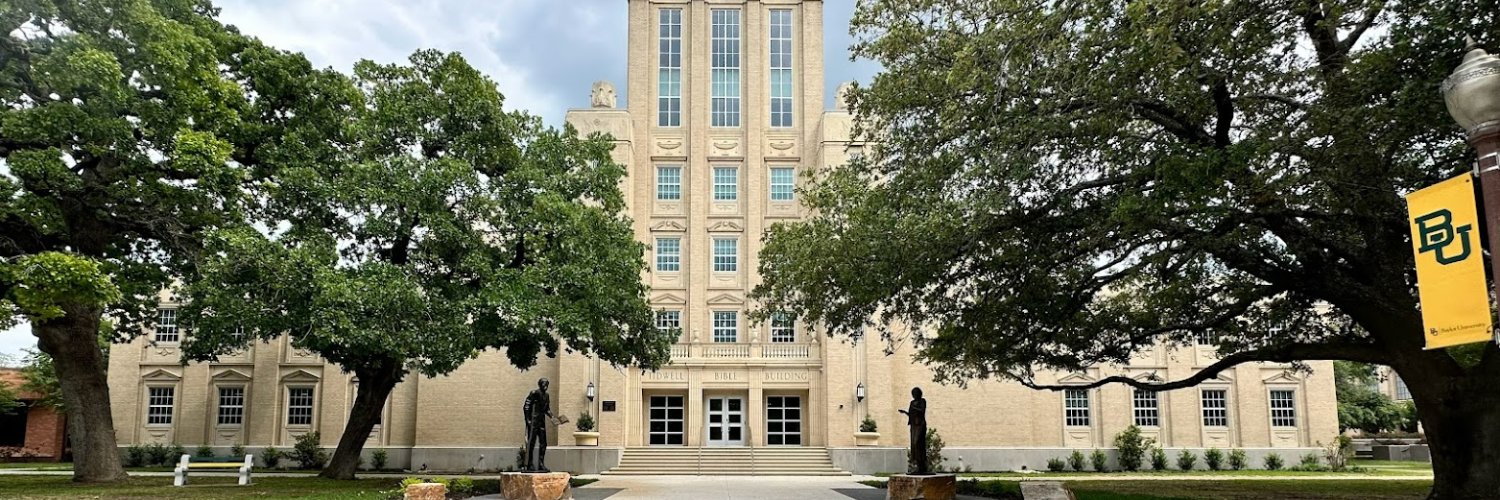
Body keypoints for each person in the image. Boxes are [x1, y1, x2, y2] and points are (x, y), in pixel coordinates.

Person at [522, 377, 554, 472]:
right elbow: (526, 406)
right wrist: (528, 419)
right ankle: (529, 464)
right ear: (540, 384)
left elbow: (546, 409)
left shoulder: (547, 396)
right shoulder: (534, 393)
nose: (546, 386)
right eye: (544, 384)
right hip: (533, 421)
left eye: (547, 384)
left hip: (541, 422)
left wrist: (553, 417)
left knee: (543, 443)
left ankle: (541, 464)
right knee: (531, 443)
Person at [898, 386, 929, 475]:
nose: (913, 395)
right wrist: (905, 412)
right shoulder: (912, 402)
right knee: (914, 446)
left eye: (915, 393)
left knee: (919, 444)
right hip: (914, 425)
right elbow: (911, 414)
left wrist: (913, 408)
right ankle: (918, 466)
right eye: (913, 394)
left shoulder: (922, 401)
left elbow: (922, 411)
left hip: (920, 425)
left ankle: (923, 466)